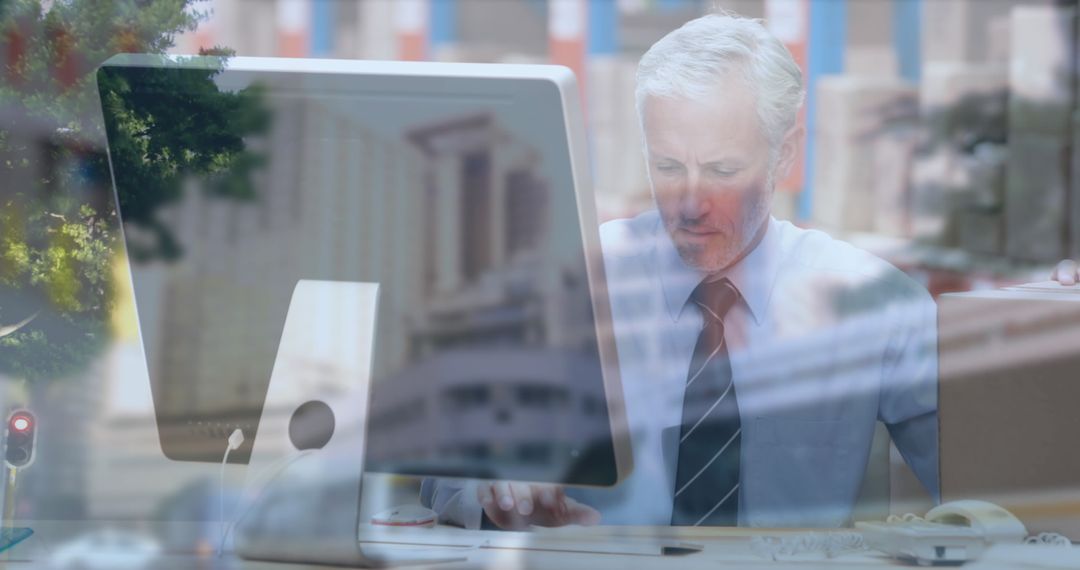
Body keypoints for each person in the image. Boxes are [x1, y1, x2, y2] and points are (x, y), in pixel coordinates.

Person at [423, 12, 939, 530]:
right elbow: (441, 476)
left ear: (784, 156)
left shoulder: (876, 305)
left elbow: (993, 496)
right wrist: (499, 494)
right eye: (667, 167)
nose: (690, 204)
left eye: (722, 171)